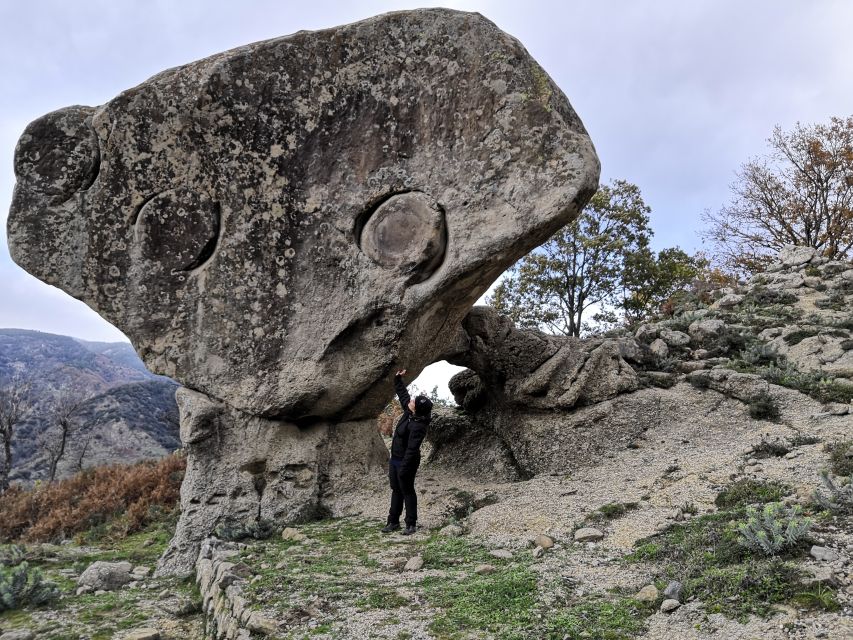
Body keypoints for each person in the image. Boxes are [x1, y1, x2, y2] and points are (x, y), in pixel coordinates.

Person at [381, 368, 432, 535]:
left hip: (407, 461)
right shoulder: (409, 412)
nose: (410, 401)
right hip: (395, 459)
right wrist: (397, 379)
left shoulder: (418, 426)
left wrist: (403, 468)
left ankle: (411, 524)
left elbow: (412, 449)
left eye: (413, 402)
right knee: (396, 489)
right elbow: (403, 396)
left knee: (407, 490)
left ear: (416, 409)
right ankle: (393, 521)